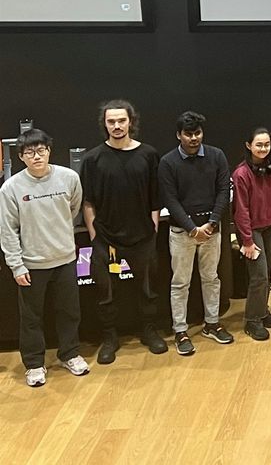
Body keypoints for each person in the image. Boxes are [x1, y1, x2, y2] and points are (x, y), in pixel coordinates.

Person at [79, 100, 168, 363]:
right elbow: (88, 202)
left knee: (148, 289)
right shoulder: (93, 159)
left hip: (143, 237)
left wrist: (152, 229)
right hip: (105, 238)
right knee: (105, 293)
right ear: (104, 124)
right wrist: (95, 236)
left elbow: (155, 198)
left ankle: (149, 331)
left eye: (121, 120)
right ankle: (110, 337)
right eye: (111, 121)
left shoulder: (149, 155)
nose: (117, 126)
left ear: (131, 121)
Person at [1, 129, 88, 387]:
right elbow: (8, 229)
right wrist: (16, 265)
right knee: (31, 318)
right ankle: (34, 364)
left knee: (69, 312)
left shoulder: (69, 178)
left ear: (49, 151)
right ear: (21, 157)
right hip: (31, 264)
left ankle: (69, 354)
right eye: (30, 152)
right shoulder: (11, 188)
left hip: (65, 259)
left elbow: (73, 208)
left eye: (41, 150)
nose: (36, 156)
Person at [158, 111, 232, 355]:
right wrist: (192, 229)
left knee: (211, 278)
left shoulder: (217, 156)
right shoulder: (168, 162)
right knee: (180, 283)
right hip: (182, 233)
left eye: (197, 133)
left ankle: (212, 323)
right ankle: (180, 331)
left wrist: (212, 222)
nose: (193, 138)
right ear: (178, 135)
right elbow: (169, 199)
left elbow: (223, 191)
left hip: (211, 230)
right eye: (188, 134)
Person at [232, 128, 271, 341]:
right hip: (252, 231)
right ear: (248, 145)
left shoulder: (270, 167)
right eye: (259, 145)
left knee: (267, 272)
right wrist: (247, 241)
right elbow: (240, 210)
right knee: (259, 276)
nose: (263, 148)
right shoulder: (241, 174)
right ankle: (252, 320)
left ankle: (262, 310)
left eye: (267, 144)